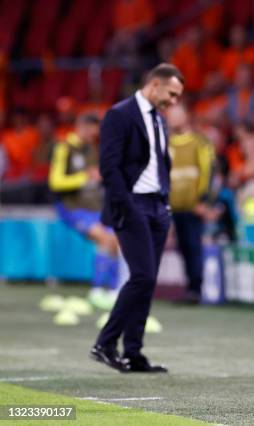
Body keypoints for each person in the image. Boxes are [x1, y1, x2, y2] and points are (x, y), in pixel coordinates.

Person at [90, 63, 184, 373]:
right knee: (142, 276)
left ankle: (133, 352)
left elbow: (159, 163)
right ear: (154, 85)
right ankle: (105, 342)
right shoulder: (120, 114)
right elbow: (109, 168)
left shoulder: (159, 118)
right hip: (132, 206)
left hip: (157, 207)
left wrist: (164, 202)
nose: (174, 102)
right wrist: (127, 206)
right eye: (171, 94)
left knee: (147, 281)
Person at [48, 113, 121, 310]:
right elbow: (55, 182)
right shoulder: (64, 147)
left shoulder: (92, 149)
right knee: (104, 239)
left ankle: (113, 291)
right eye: (92, 131)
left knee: (115, 240)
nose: (94, 135)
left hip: (95, 207)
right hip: (73, 208)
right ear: (81, 126)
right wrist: (84, 177)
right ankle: (97, 291)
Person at [165, 103, 216, 304]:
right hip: (173, 206)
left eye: (176, 113)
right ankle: (190, 288)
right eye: (170, 114)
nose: (172, 118)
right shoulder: (165, 143)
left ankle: (196, 289)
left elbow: (209, 172)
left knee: (193, 246)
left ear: (186, 116)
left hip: (194, 207)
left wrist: (204, 201)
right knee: (183, 247)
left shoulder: (200, 142)